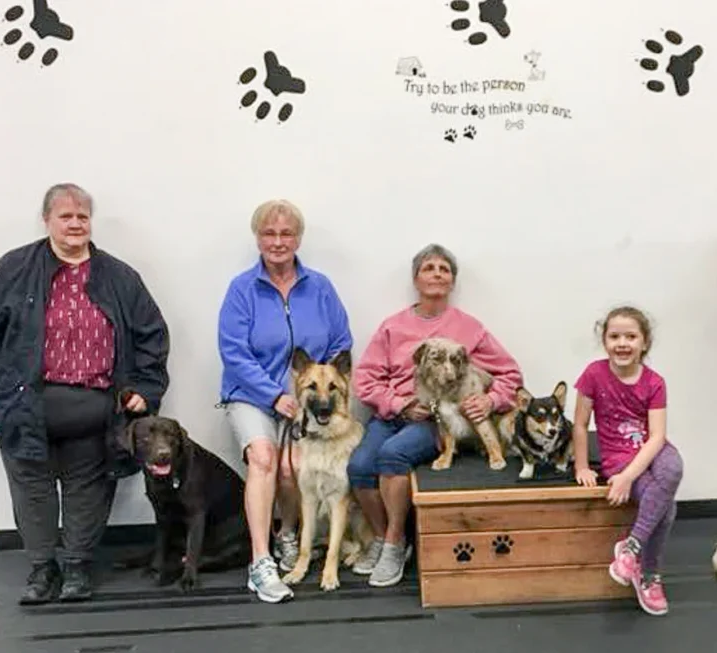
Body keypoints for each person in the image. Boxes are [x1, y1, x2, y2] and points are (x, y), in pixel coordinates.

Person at [0, 182, 170, 605]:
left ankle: (77, 566)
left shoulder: (119, 276)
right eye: (66, 216)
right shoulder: (14, 268)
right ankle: (42, 569)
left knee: (87, 488)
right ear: (47, 220)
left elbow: (152, 334)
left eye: (82, 216)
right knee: (32, 489)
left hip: (95, 406)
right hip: (25, 404)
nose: (75, 224)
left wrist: (146, 389)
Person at [347, 244, 523, 587]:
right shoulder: (392, 327)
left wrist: (490, 401)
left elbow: (510, 374)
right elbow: (365, 380)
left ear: (452, 282)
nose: (437, 274)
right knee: (359, 466)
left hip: (437, 420)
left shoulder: (470, 328)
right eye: (429, 268)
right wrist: (399, 404)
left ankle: (395, 543)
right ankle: (382, 537)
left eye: (444, 269)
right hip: (393, 412)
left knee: (392, 455)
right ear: (416, 279)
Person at [217, 198, 352, 603]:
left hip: (306, 399)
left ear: (298, 239)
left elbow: (341, 342)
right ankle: (261, 562)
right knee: (263, 459)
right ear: (258, 238)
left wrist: (318, 386)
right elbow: (233, 352)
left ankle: (288, 535)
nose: (278, 242)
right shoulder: (242, 289)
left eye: (286, 233)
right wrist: (273, 394)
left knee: (293, 469)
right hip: (250, 394)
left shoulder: (321, 287)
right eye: (269, 233)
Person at [573, 306, 683, 617]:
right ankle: (650, 575)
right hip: (618, 457)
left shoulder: (655, 382)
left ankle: (631, 548)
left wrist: (627, 478)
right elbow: (579, 424)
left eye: (631, 337)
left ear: (644, 342)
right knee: (666, 507)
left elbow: (657, 437)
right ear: (604, 341)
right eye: (615, 336)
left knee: (674, 467)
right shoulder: (593, 375)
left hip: (650, 449)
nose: (622, 343)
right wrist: (582, 466)